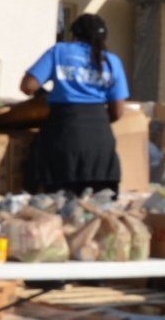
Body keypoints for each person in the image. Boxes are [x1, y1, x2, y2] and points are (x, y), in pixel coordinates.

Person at [19, 12, 129, 194]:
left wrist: (45, 95)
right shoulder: (112, 62)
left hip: (63, 134)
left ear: (74, 34)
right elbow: (117, 112)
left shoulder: (59, 51)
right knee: (98, 207)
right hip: (100, 144)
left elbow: (28, 86)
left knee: (58, 204)